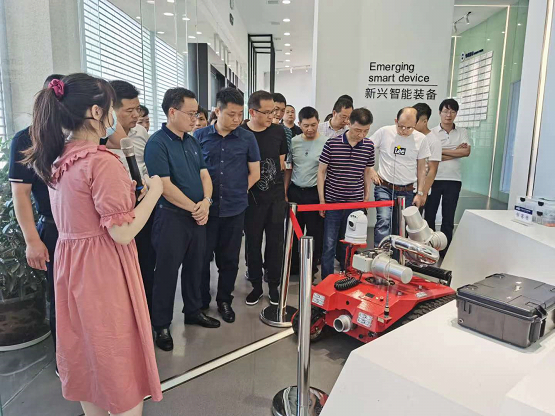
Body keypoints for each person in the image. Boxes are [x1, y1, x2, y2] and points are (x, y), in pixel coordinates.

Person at [23, 73, 163, 415]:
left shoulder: (58, 159)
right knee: (116, 354)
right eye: (112, 108)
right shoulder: (101, 162)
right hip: (103, 271)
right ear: (97, 112)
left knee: (87, 355)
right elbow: (122, 233)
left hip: (71, 268)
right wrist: (154, 193)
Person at [145, 88, 220, 352]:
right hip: (172, 218)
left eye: (197, 113)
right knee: (166, 272)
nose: (195, 119)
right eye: (190, 113)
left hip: (197, 215)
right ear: (172, 112)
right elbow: (164, 186)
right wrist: (195, 208)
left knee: (196, 266)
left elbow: (205, 175)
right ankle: (161, 325)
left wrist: (206, 202)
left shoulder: (191, 141)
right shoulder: (157, 143)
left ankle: (193, 310)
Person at [9, 74, 64, 369]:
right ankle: (64, 360)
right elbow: (20, 195)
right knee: (59, 298)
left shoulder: (78, 135)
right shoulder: (26, 139)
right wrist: (32, 240)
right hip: (53, 229)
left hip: (87, 230)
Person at [194, 88, 261, 323]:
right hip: (206, 210)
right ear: (217, 111)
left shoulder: (247, 138)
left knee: (229, 259)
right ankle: (201, 300)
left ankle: (224, 300)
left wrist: (238, 191)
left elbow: (255, 173)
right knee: (202, 258)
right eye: (231, 114)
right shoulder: (199, 136)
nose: (237, 119)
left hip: (234, 209)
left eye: (240, 114)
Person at [108, 80, 156, 313]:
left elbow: (147, 165)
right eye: (129, 110)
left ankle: (148, 314)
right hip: (114, 213)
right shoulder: (99, 141)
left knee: (146, 262)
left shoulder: (140, 132)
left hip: (142, 205)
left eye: (137, 109)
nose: (136, 115)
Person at [241, 90, 288, 305]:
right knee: (253, 242)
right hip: (252, 199)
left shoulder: (279, 132)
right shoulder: (242, 134)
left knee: (275, 243)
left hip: (275, 198)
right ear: (252, 112)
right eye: (267, 112)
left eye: (274, 111)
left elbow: (281, 164)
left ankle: (274, 285)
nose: (272, 116)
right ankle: (256, 285)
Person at [318, 108, 375, 279]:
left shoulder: (368, 146)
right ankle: (327, 280)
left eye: (366, 131)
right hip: (333, 202)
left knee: (350, 245)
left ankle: (348, 278)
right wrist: (322, 201)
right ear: (349, 123)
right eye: (358, 130)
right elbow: (321, 172)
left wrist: (366, 197)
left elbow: (367, 172)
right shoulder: (332, 144)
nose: (361, 135)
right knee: (329, 244)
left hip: (355, 203)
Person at [369, 107, 431, 246]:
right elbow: (365, 148)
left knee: (402, 226)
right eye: (401, 126)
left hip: (407, 190)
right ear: (396, 121)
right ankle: (381, 253)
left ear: (415, 125)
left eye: (409, 128)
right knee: (384, 220)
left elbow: (422, 168)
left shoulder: (421, 139)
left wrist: (420, 192)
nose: (404, 130)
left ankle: (399, 256)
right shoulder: (384, 132)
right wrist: (371, 170)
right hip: (384, 186)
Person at [424, 98, 471, 256]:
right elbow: (429, 156)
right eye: (445, 111)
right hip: (433, 179)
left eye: (452, 111)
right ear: (440, 113)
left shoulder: (462, 132)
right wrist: (455, 151)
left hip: (454, 180)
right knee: (429, 215)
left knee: (448, 217)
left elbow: (466, 152)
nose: (448, 115)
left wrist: (440, 151)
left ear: (456, 113)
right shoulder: (432, 132)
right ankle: (430, 248)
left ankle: (445, 250)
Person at [285, 106, 326, 276]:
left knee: (315, 232)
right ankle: (294, 266)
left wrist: (323, 200)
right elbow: (289, 168)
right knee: (294, 231)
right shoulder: (294, 142)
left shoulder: (326, 142)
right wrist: (285, 191)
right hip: (295, 191)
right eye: (306, 125)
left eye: (313, 125)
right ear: (299, 124)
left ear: (318, 123)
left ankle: (311, 267)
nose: (310, 129)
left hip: (314, 193)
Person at [413, 102, 443, 210]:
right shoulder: (411, 136)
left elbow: (432, 170)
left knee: (414, 219)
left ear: (425, 121)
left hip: (418, 190)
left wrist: (423, 193)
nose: (412, 124)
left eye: (415, 121)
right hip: (405, 187)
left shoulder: (433, 141)